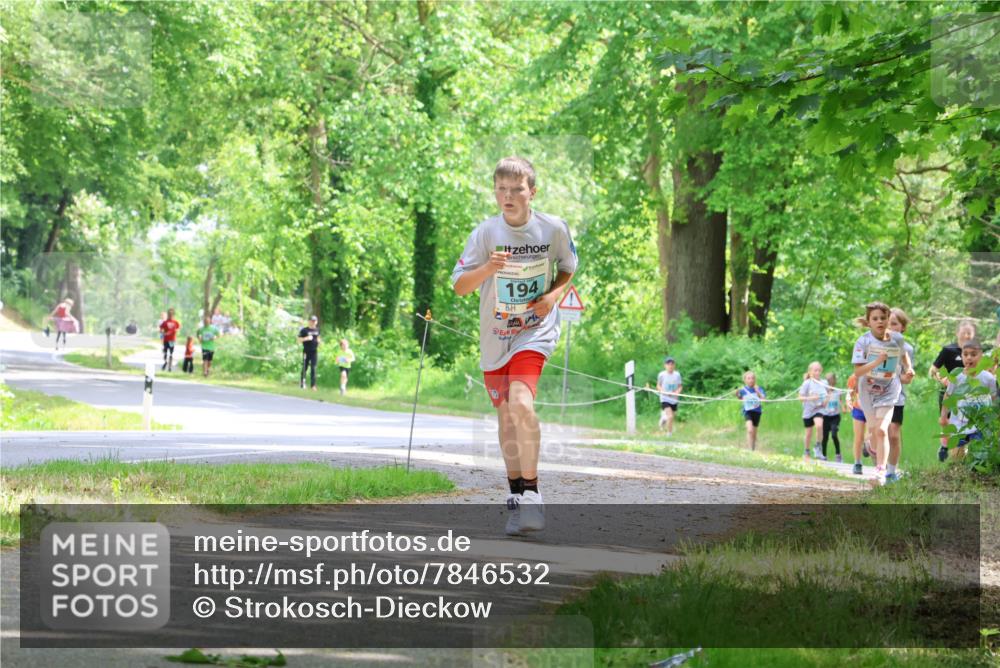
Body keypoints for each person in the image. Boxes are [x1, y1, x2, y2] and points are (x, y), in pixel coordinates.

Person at [451, 155, 577, 536]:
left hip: (534, 332)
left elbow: (568, 268)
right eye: (501, 189)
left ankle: (534, 495)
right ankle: (517, 496)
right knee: (506, 418)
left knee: (522, 403)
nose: (508, 196)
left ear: (532, 192)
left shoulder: (553, 229)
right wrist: (489, 268)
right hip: (496, 335)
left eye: (516, 189)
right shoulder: (485, 234)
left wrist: (553, 297)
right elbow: (459, 286)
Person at [852, 301, 911, 484]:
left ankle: (880, 471)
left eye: (883, 318)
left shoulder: (897, 339)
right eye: (875, 318)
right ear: (868, 322)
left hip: (889, 390)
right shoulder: (863, 341)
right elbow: (858, 372)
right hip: (868, 391)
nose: (880, 321)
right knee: (873, 430)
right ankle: (871, 445)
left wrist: (909, 369)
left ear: (887, 320)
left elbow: (903, 355)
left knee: (882, 430)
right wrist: (877, 361)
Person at [939, 340, 997, 460]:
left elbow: (993, 398)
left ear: (981, 356)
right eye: (965, 354)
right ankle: (958, 472)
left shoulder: (988, 378)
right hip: (959, 422)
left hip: (980, 423)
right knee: (957, 455)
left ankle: (976, 472)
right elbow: (948, 396)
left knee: (978, 454)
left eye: (973, 354)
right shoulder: (957, 377)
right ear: (961, 356)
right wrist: (944, 416)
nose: (969, 358)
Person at [930, 320, 977, 460]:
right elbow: (933, 370)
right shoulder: (948, 350)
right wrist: (942, 380)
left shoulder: (976, 352)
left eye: (970, 333)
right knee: (946, 423)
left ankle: (960, 456)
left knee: (962, 427)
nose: (967, 336)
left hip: (968, 394)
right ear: (957, 334)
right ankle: (945, 446)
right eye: (964, 333)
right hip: (948, 393)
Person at [887, 308, 916, 473]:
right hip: (877, 395)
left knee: (894, 434)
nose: (891, 327)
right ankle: (871, 447)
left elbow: (907, 378)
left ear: (902, 327)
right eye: (888, 324)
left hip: (897, 396)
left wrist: (903, 375)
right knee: (880, 433)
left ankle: (891, 472)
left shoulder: (908, 349)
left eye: (894, 324)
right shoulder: (876, 344)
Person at [799, 362, 827, 460]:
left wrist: (825, 402)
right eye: (815, 370)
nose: (817, 372)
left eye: (819, 370)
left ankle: (818, 447)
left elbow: (828, 395)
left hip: (819, 409)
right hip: (808, 411)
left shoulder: (824, 382)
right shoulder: (807, 383)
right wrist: (811, 398)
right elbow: (800, 398)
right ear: (810, 372)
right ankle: (806, 451)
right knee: (808, 433)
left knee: (819, 425)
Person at [736, 370, 765, 451]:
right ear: (745, 380)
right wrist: (737, 394)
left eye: (752, 378)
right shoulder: (743, 390)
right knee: (749, 430)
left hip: (757, 412)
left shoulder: (759, 388)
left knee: (754, 433)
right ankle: (749, 450)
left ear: (755, 380)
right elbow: (740, 397)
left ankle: (753, 448)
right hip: (747, 411)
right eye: (748, 378)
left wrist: (757, 391)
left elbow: (763, 398)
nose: (751, 380)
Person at [820, 372, 845, 462]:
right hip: (825, 417)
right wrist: (828, 395)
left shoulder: (837, 391)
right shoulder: (823, 392)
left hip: (835, 417)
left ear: (834, 381)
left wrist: (843, 407)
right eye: (828, 382)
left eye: (831, 381)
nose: (830, 383)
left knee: (834, 435)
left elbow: (840, 400)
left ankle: (838, 454)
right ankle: (823, 455)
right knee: (825, 437)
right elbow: (823, 405)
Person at [846, 374, 868, 475]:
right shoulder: (854, 377)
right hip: (858, 409)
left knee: (870, 437)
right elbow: (849, 392)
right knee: (858, 437)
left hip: (871, 409)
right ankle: (857, 463)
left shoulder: (875, 375)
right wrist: (848, 401)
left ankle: (868, 446)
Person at [656, 357, 683, 436]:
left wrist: (677, 392)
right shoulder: (662, 375)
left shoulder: (677, 375)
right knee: (670, 416)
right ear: (665, 365)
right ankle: (669, 434)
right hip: (665, 398)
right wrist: (663, 391)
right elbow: (658, 386)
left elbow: (680, 386)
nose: (670, 366)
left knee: (671, 417)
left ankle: (663, 419)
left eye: (672, 364)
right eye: (668, 364)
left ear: (674, 365)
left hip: (674, 399)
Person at [298, 316, 321, 391]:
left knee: (313, 368)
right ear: (309, 321)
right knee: (305, 367)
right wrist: (306, 338)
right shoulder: (304, 330)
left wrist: (319, 342)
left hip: (314, 351)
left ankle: (313, 385)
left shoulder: (317, 330)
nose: (313, 322)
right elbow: (299, 340)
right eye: (312, 321)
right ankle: (302, 383)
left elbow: (318, 338)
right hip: (306, 351)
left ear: (316, 322)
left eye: (314, 321)